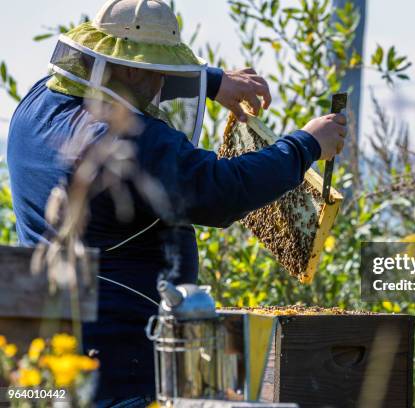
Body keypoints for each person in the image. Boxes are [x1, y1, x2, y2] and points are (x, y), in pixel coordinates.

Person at [7, 0, 346, 406]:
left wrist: (215, 82)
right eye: (160, 72)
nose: (163, 85)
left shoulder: (36, 105)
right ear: (132, 68)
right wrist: (305, 144)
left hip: (47, 351)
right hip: (121, 357)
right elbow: (222, 189)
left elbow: (127, 78)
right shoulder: (129, 142)